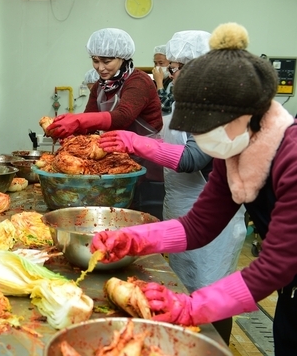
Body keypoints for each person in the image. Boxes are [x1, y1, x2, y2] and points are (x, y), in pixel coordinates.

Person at [90, 22, 297, 355]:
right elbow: (200, 225)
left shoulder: (291, 157)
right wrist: (136, 240)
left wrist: (192, 307)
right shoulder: (233, 151)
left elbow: (276, 265)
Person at [97, 30, 246, 344]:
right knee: (183, 290)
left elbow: (193, 158)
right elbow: (168, 141)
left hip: (213, 222)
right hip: (183, 211)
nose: (169, 76)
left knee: (212, 297)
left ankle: (215, 349)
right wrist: (133, 145)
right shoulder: (186, 103)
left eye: (175, 69)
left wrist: (138, 143)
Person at [46, 28, 163, 139]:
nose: (100, 68)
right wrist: (69, 131)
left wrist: (78, 120)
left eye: (106, 62)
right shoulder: (100, 86)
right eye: (95, 61)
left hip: (145, 153)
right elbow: (89, 123)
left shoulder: (139, 81)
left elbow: (123, 117)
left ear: (123, 58)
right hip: (115, 148)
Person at [152, 44, 174, 115]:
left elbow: (165, 106)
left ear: (170, 64)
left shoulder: (173, 82)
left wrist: (159, 83)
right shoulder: (152, 83)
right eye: (155, 63)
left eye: (161, 63)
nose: (157, 66)